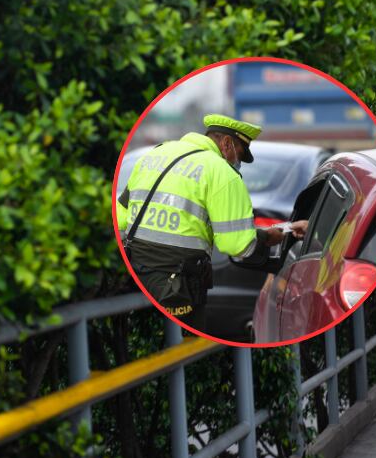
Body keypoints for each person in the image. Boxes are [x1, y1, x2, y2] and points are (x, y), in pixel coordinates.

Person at [116, 114, 308, 331]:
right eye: (240, 154)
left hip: (135, 273)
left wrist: (287, 227)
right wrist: (269, 236)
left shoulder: (155, 154)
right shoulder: (221, 172)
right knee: (182, 352)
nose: (237, 163)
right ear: (227, 143)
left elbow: (121, 218)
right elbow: (237, 245)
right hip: (177, 285)